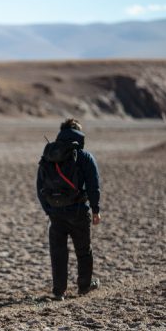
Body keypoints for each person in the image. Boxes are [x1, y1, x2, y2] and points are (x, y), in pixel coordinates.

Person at [37, 118, 101, 301]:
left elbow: (39, 184)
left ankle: (59, 291)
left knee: (58, 252)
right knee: (83, 250)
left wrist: (48, 208)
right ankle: (84, 286)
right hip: (79, 210)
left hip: (55, 212)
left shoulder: (49, 154)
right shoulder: (83, 156)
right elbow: (93, 185)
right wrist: (96, 209)